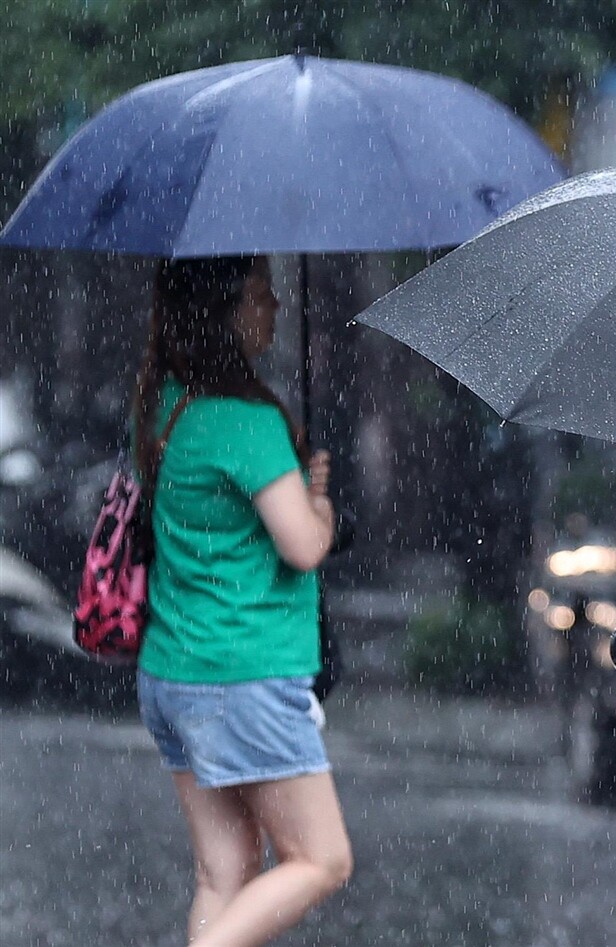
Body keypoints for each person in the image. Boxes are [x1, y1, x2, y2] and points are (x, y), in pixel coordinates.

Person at [132, 256, 352, 947]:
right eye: (261, 295)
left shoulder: (171, 402)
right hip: (242, 673)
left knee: (224, 874)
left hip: (175, 669)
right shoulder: (247, 419)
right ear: (224, 314)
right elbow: (305, 546)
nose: (278, 307)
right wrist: (320, 504)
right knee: (322, 858)